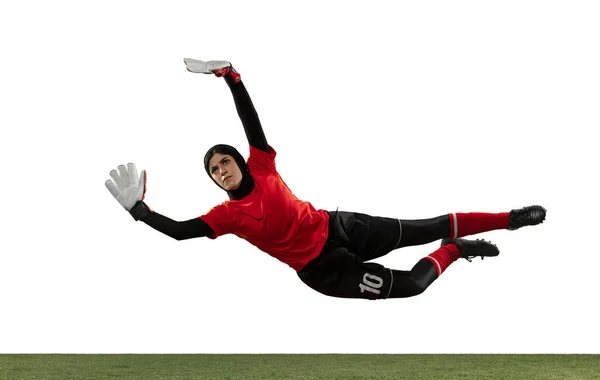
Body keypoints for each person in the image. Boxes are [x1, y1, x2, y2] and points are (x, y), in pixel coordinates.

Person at [105, 59, 546, 300]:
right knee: (411, 286)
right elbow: (182, 233)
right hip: (322, 270)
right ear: (215, 181)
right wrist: (141, 212)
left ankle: (510, 218)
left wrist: (231, 79)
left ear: (240, 160)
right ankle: (456, 251)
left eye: (224, 161)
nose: (221, 170)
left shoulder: (261, 165)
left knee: (426, 226)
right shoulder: (226, 216)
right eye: (213, 170)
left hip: (339, 226)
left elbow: (250, 119)